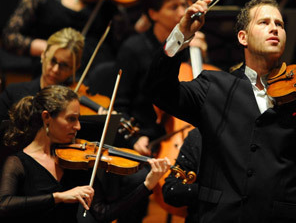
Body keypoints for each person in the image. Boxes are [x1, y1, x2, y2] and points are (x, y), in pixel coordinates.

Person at [145, 0, 296, 222]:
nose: (274, 29)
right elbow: (159, 90)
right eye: (264, 23)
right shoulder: (213, 87)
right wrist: (181, 34)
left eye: (279, 25)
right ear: (243, 37)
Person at [0, 85, 171, 223]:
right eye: (71, 119)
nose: (78, 127)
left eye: (78, 119)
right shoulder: (18, 163)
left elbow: (103, 213)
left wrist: (147, 186)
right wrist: (58, 197)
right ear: (47, 118)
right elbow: (5, 205)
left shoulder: (76, 162)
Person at [115, 0, 207, 156]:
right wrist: (134, 138)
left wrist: (201, 56)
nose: (182, 12)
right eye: (173, 7)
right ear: (153, 13)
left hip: (184, 138)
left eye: (183, 4)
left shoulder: (191, 47)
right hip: (147, 141)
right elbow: (119, 106)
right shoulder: (133, 49)